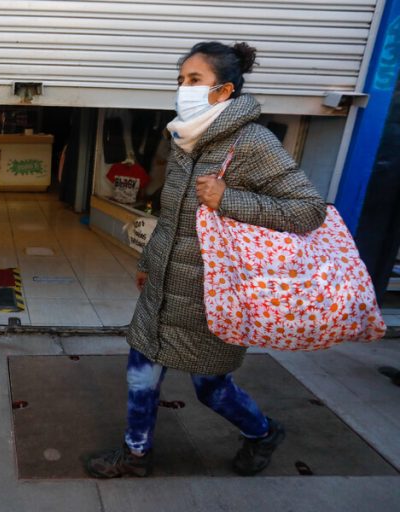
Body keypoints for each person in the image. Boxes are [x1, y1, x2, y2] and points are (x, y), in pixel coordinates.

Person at [85, 42, 327, 477]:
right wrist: (149, 263)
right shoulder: (185, 137)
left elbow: (308, 210)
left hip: (216, 296)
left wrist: (227, 199)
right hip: (164, 287)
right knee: (141, 373)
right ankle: (136, 455)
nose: (184, 88)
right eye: (181, 80)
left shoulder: (253, 141)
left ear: (224, 90)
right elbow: (171, 216)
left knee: (211, 387)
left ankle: (263, 432)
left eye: (195, 80)